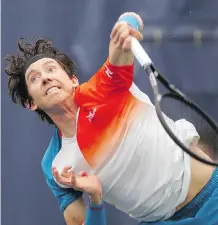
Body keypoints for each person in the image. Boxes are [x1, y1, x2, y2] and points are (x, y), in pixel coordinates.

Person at [5, 12, 217, 225]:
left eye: (51, 69)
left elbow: (125, 34)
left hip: (212, 198)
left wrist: (126, 24)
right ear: (31, 103)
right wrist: (95, 199)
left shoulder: (103, 89)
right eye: (34, 78)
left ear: (73, 80)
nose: (45, 78)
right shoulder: (55, 165)